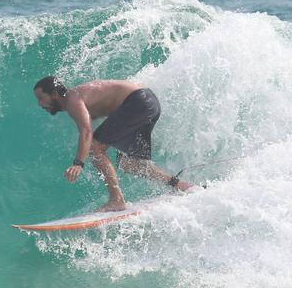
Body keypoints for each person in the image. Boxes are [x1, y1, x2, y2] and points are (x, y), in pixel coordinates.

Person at [33, 76, 193, 211]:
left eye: (41, 98)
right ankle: (180, 185)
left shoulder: (72, 99)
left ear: (54, 94)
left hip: (138, 102)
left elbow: (86, 131)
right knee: (128, 163)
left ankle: (116, 199)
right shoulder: (78, 98)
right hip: (148, 103)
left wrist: (78, 163)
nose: (39, 104)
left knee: (94, 147)